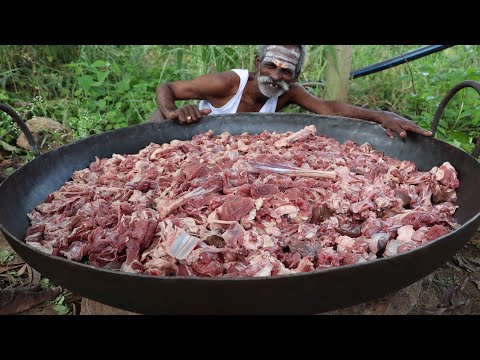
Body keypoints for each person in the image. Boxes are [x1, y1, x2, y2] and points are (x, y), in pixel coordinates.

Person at [149, 45, 432, 139]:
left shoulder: (288, 92)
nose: (276, 76)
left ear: (295, 76)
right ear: (258, 63)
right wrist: (174, 111)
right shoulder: (228, 84)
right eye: (271, 66)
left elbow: (331, 108)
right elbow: (167, 87)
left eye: (286, 71)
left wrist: (380, 116)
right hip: (186, 134)